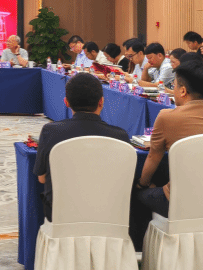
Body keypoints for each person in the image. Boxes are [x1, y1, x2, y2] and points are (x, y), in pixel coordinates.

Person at [130, 61, 203, 248]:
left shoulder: (167, 117)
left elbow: (153, 158)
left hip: (180, 202)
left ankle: (143, 253)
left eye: (174, 86)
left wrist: (142, 184)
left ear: (182, 91)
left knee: (137, 194)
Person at [33, 73, 130, 221]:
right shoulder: (120, 136)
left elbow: (41, 179)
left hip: (60, 215)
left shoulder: (50, 132)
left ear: (66, 102)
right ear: (101, 101)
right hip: (108, 215)